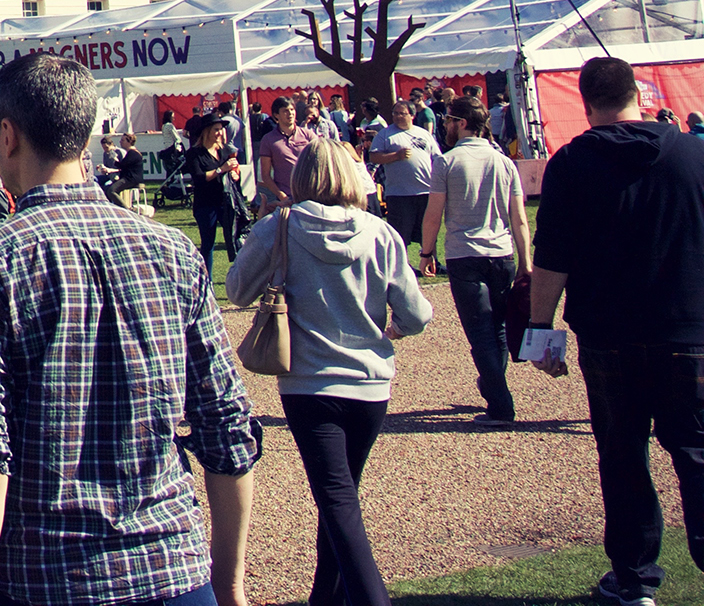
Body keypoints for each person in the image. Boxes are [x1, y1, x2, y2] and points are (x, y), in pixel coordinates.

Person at [0, 53, 258, 606]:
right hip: (173, 566)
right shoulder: (173, 250)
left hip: (47, 575)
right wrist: (230, 584)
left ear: (7, 135)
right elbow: (225, 425)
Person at [525, 56, 704, 606]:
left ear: (585, 104)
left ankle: (635, 578)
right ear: (639, 94)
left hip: (609, 339)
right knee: (697, 454)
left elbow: (552, 257)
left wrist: (539, 327)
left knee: (623, 457)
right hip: (689, 333)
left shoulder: (571, 163)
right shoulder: (695, 154)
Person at [227, 140, 432, 606]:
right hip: (371, 384)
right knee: (340, 499)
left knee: (337, 501)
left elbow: (237, 290)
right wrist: (393, 328)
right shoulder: (380, 233)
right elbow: (417, 314)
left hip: (309, 384)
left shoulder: (279, 226)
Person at [423, 95, 532, 426]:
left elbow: (433, 214)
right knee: (498, 328)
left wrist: (427, 252)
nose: (445, 126)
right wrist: (525, 261)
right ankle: (494, 386)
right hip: (501, 252)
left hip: (464, 252)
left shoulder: (447, 162)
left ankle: (500, 404)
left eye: (448, 121)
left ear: (461, 123)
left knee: (480, 333)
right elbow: (519, 219)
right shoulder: (504, 162)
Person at [366, 99, 439, 256]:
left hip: (425, 192)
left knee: (428, 232)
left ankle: (432, 262)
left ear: (412, 115)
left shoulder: (423, 134)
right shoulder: (385, 134)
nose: (398, 117)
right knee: (400, 236)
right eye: (395, 113)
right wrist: (396, 156)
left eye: (402, 113)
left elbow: (437, 158)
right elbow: (374, 157)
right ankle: (401, 265)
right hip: (399, 194)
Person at [185, 115, 247, 284]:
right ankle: (207, 280)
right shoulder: (194, 154)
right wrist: (221, 169)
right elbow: (199, 178)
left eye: (221, 129)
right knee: (208, 243)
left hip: (226, 202)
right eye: (216, 129)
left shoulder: (225, 151)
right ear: (207, 132)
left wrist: (234, 173)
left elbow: (234, 174)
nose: (220, 133)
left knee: (236, 240)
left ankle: (242, 279)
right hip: (205, 204)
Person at [257, 97, 310, 209]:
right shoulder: (268, 139)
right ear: (276, 115)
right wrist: (282, 196)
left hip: (309, 195)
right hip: (287, 197)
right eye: (285, 111)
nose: (290, 113)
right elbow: (265, 175)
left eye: (292, 109)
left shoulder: (307, 135)